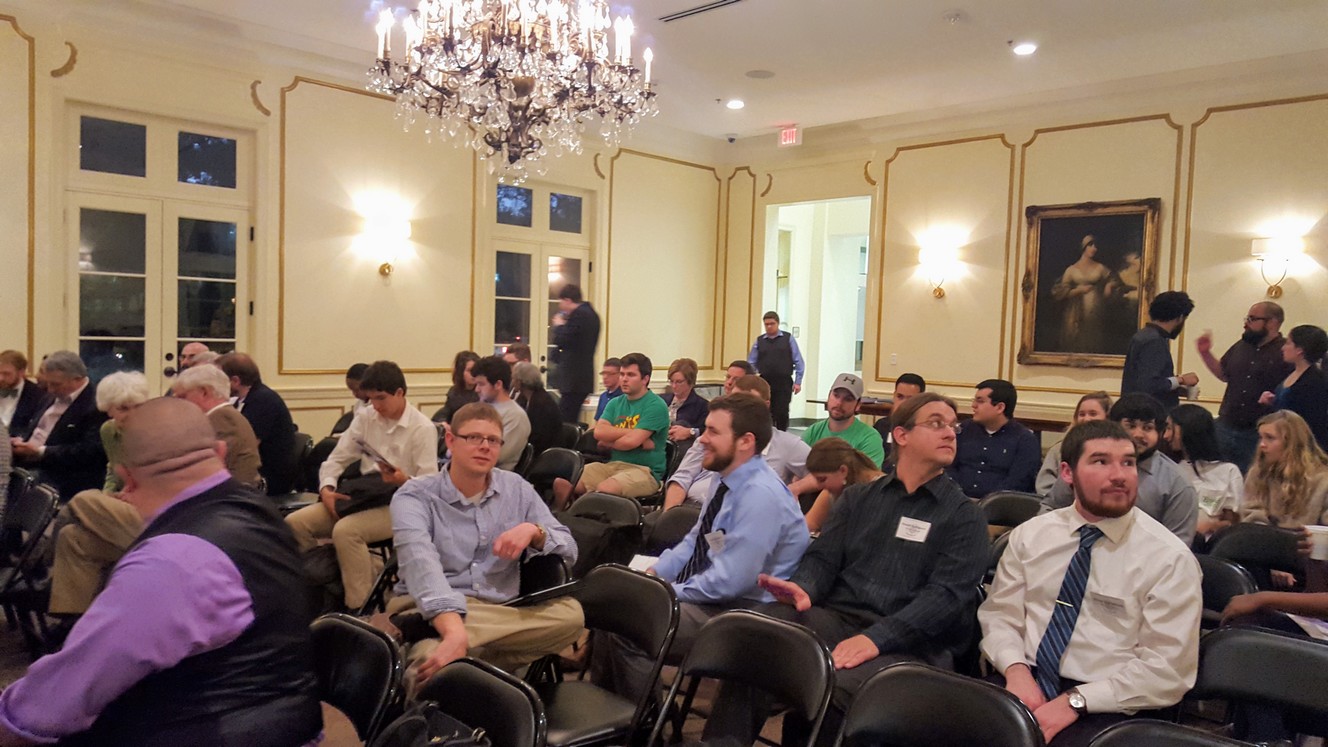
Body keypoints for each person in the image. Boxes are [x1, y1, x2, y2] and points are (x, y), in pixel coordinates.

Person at [0, 397, 322, 745]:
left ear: (126, 478)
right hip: (285, 722)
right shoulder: (262, 512)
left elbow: (53, 705)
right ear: (219, 452)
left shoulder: (170, 562)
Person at [705, 392, 989, 746]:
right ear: (901, 435)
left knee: (831, 684)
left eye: (953, 426)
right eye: (936, 423)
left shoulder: (965, 516)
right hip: (838, 619)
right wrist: (804, 587)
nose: (949, 433)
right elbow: (823, 558)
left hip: (913, 644)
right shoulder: (860, 498)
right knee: (757, 645)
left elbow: (945, 599)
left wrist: (877, 638)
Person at [979, 419, 1202, 747]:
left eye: (1128, 462)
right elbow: (1001, 617)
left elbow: (1166, 670)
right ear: (1067, 473)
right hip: (1024, 677)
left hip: (1112, 703)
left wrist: (1076, 701)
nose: (1119, 475)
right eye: (1101, 461)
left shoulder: (1169, 558)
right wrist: (1015, 670)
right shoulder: (1033, 535)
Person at [591, 394, 810, 704]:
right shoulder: (725, 480)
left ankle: (641, 723)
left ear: (746, 442)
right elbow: (697, 540)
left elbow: (730, 582)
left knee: (632, 626)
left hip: (744, 613)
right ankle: (609, 715)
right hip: (715, 596)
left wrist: (665, 592)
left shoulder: (760, 496)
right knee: (612, 608)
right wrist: (655, 573)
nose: (702, 438)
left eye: (713, 431)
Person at [389, 402, 583, 683]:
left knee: (572, 616)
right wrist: (452, 629)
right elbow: (421, 566)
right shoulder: (415, 496)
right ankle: (469, 664)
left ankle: (450, 651)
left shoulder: (517, 489)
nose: (484, 446)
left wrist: (535, 531)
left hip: (495, 611)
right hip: (429, 605)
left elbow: (570, 548)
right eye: (474, 438)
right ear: (450, 440)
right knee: (431, 672)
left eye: (493, 440)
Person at [286, 360, 439, 611]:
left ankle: (358, 609)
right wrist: (327, 490)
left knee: (346, 531)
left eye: (381, 398)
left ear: (400, 393)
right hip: (365, 495)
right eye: (371, 399)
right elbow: (336, 460)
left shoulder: (421, 428)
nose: (375, 406)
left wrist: (403, 480)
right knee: (295, 523)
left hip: (402, 502)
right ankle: (322, 588)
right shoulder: (366, 417)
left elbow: (430, 487)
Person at [47, 371, 152, 618]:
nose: (131, 414)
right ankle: (72, 621)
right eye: (123, 408)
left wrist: (132, 495)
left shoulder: (156, 432)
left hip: (151, 517)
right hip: (122, 508)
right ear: (108, 409)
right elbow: (112, 472)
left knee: (82, 500)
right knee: (72, 537)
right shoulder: (108, 431)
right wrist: (110, 495)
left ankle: (41, 560)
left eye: (138, 407)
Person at [651, 375, 809, 536]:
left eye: (746, 404)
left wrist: (795, 488)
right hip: (687, 508)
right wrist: (669, 516)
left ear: (765, 406)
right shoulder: (710, 439)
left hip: (733, 523)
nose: (737, 410)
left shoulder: (786, 445)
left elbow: (822, 470)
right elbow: (682, 478)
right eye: (734, 402)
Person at [1044, 393, 1199, 546]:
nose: (1138, 434)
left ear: (1160, 432)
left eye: (1147, 428)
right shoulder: (1084, 465)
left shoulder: (1177, 484)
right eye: (1130, 426)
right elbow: (1051, 508)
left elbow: (1177, 547)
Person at [554, 352, 669, 508]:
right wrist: (636, 435)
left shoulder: (656, 405)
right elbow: (599, 432)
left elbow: (628, 443)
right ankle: (566, 518)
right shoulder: (615, 403)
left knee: (605, 489)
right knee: (563, 482)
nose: (624, 379)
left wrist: (609, 442)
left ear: (645, 379)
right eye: (622, 374)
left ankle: (587, 517)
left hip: (644, 471)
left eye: (631, 375)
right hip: (612, 465)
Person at [1194, 301, 1293, 471]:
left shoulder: (1285, 352)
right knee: (1216, 474)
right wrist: (1205, 353)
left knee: (1252, 478)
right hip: (1226, 424)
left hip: (1258, 432)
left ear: (1272, 322)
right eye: (1247, 318)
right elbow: (1224, 374)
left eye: (1252, 319)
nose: (1246, 323)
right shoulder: (1241, 346)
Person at [9, 350, 107, 500]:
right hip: (28, 464)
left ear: (77, 379)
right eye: (48, 383)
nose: (50, 389)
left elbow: (91, 452)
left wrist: (41, 452)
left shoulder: (96, 405)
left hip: (62, 475)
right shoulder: (51, 396)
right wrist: (21, 440)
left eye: (56, 384)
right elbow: (38, 430)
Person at [217, 352, 298, 495]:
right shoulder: (245, 399)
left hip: (269, 478)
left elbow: (246, 446)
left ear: (235, 381)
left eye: (219, 380)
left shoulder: (263, 401)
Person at [1164, 404, 1243, 548]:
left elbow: (1234, 523)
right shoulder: (1170, 468)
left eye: (1170, 428)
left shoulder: (1228, 471)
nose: (1166, 436)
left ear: (1188, 429)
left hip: (1213, 546)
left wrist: (1209, 526)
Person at [950, 379, 1041, 498]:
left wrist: (990, 501)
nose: (973, 405)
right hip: (956, 498)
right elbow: (949, 465)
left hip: (999, 503)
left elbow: (1018, 481)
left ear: (999, 407)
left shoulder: (1024, 440)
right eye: (974, 400)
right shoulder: (965, 429)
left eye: (980, 401)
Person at [1241, 409, 1328, 531]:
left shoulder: (1323, 480)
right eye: (1261, 437)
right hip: (1264, 538)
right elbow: (1251, 514)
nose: (1262, 445)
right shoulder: (1257, 473)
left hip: (1308, 540)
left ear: (1291, 443)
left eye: (1270, 438)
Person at [1121, 290, 1197, 412]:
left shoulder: (1143, 336)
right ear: (1180, 317)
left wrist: (1177, 388)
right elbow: (1148, 384)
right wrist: (1181, 380)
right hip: (1150, 414)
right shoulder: (1154, 341)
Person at [795, 372, 885, 473]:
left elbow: (866, 478)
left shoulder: (869, 438)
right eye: (836, 395)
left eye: (848, 399)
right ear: (828, 396)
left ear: (858, 405)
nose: (839, 403)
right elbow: (797, 469)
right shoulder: (813, 432)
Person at [1260, 323, 1328, 448]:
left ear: (1299, 350)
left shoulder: (1315, 381)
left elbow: (1311, 420)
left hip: (1299, 445)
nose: (1283, 348)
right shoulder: (1293, 372)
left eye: (1288, 343)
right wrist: (1271, 402)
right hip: (1284, 440)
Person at [1036, 392, 1112, 495]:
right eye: (1082, 414)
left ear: (1107, 417)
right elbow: (1044, 486)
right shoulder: (1059, 449)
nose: (1086, 419)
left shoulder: (1117, 450)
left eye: (1093, 414)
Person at [802, 439, 884, 533]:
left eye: (822, 479)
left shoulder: (882, 493)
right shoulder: (832, 492)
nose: (819, 486)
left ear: (843, 471)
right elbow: (810, 523)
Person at [1051, 235, 1113, 351]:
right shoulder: (1071, 269)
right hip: (1076, 312)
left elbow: (1113, 279)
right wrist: (1079, 290)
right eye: (1091, 245)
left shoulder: (1100, 267)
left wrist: (1108, 286)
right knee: (1077, 340)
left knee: (1094, 340)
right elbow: (1061, 292)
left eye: (1095, 246)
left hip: (1096, 311)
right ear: (1083, 247)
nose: (1094, 248)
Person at [550, 283, 601, 423]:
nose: (560, 307)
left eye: (561, 302)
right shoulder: (590, 314)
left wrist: (559, 326)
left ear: (567, 300)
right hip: (579, 379)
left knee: (566, 419)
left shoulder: (580, 315)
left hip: (575, 379)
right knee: (568, 416)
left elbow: (563, 339)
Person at [471, 356, 531, 471]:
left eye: (481, 384)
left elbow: (496, 455)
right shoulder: (481, 408)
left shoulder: (515, 416)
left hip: (495, 475)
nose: (477, 389)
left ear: (498, 384)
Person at [748, 311, 805, 431]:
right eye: (766, 324)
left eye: (772, 324)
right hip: (765, 381)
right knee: (765, 410)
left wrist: (798, 382)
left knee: (782, 411)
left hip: (783, 381)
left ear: (778, 323)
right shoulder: (759, 341)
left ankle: (782, 433)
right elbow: (751, 361)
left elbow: (798, 360)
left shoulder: (788, 338)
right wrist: (755, 376)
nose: (769, 326)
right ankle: (767, 434)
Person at [512, 361, 563, 458]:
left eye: (513, 378)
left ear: (519, 381)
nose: (512, 382)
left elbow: (538, 437)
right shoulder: (524, 398)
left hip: (544, 455)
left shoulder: (542, 404)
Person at [0, 349, 48, 437]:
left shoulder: (38, 396)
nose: (1, 378)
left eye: (6, 374)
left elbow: (37, 430)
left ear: (21, 372)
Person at [662, 357, 710, 446]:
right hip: (660, 443)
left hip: (684, 447)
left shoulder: (703, 406)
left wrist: (690, 432)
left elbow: (707, 431)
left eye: (679, 382)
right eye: (671, 381)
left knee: (681, 423)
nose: (674, 386)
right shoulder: (661, 400)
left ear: (690, 382)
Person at [873, 372, 925, 445]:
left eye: (910, 399)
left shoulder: (925, 430)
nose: (903, 403)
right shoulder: (881, 425)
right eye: (900, 397)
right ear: (894, 396)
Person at [435, 350, 481, 424]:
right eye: (469, 370)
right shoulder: (454, 392)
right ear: (461, 372)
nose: (473, 374)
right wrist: (443, 423)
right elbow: (446, 413)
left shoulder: (483, 391)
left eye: (476, 370)